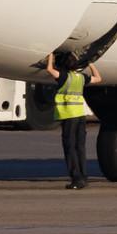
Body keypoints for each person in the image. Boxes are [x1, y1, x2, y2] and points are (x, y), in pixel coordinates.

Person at [43, 50, 101, 189]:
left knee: (70, 147)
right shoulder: (81, 77)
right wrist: (91, 64)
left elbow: (49, 69)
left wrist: (50, 55)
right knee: (80, 147)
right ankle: (84, 176)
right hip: (80, 115)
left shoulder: (63, 77)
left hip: (69, 115)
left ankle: (76, 178)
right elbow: (98, 78)